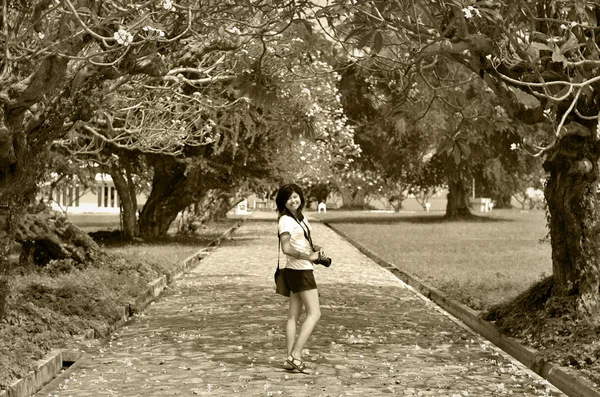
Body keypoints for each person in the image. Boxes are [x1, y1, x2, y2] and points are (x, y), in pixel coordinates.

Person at [275, 183, 326, 374]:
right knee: (315, 313)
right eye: (288, 198)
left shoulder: (300, 218)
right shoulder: (285, 221)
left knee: (293, 316)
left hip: (296, 270)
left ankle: (290, 359)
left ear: (301, 197)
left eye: (295, 196)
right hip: (300, 270)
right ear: (283, 202)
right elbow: (286, 249)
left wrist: (316, 249)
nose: (293, 200)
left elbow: (303, 243)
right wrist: (308, 257)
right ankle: (295, 355)